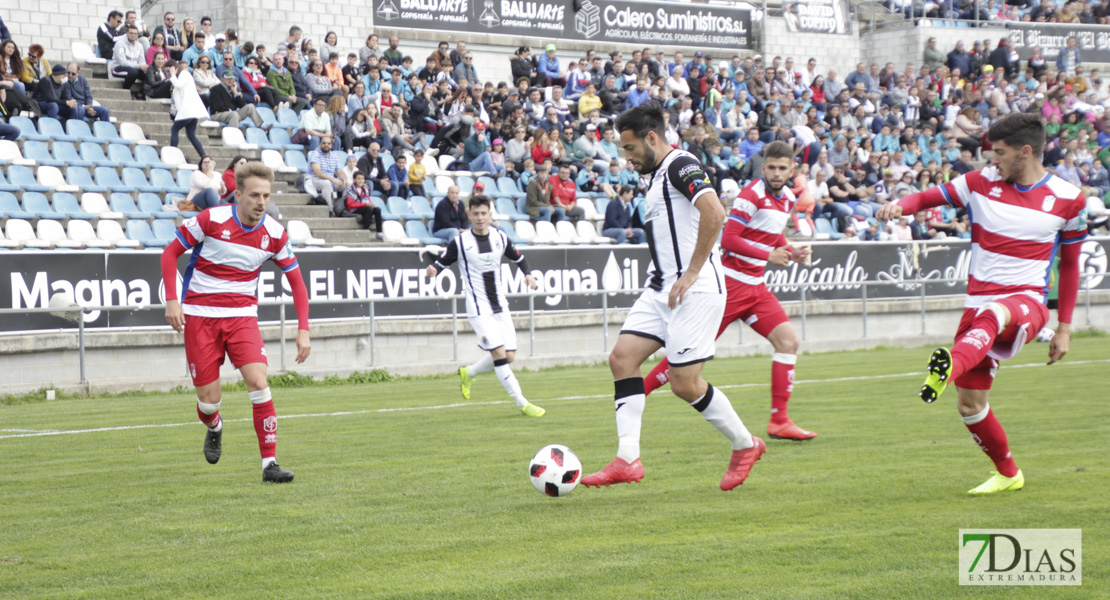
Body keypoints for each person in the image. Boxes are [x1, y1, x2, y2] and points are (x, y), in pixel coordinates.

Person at [875, 113, 1088, 495]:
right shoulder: (979, 182)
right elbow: (926, 196)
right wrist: (899, 206)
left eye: (1000, 153)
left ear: (1025, 152)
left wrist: (1066, 327)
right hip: (978, 306)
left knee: (997, 312)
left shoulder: (1071, 200)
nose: (993, 161)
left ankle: (948, 366)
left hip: (1026, 304)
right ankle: (1009, 473)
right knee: (971, 405)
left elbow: (1070, 265)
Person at [581, 102, 763, 492]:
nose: (627, 159)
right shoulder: (656, 176)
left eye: (629, 149)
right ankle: (627, 459)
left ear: (651, 138)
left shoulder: (681, 165)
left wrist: (693, 271)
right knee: (622, 359)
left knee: (684, 383)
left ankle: (745, 444)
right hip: (661, 289)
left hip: (694, 291)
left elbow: (716, 212)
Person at [643, 141, 817, 441]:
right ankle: (636, 395)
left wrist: (789, 250)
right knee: (684, 360)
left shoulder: (788, 198)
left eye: (782, 169)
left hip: (756, 289)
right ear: (763, 168)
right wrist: (769, 256)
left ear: (792, 170)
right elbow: (730, 239)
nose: (776, 174)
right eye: (771, 168)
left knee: (788, 342)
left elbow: (773, 235)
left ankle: (780, 421)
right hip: (731, 286)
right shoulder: (751, 195)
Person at [161, 162, 310, 484]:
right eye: (254, 195)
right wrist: (173, 300)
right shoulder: (210, 220)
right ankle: (215, 426)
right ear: (238, 194)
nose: (261, 202)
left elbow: (297, 282)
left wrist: (303, 329)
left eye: (266, 196)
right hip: (200, 317)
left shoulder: (273, 234)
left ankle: (269, 464)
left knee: (259, 382)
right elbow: (169, 254)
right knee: (208, 402)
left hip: (242, 317)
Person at [427, 195, 545, 417]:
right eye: (476, 213)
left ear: (490, 215)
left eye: (484, 213)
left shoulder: (500, 237)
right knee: (499, 354)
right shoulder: (461, 242)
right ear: (469, 215)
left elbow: (519, 258)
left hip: (500, 304)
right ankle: (522, 402)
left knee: (509, 356)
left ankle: (468, 373)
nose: (480, 218)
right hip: (478, 308)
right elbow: (440, 263)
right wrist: (433, 269)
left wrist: (528, 274)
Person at [169, 59, 209, 159]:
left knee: (174, 129)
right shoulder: (182, 78)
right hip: (191, 110)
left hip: (188, 110)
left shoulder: (184, 74)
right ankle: (203, 156)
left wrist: (173, 75)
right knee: (191, 135)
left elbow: (178, 85)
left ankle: (172, 154)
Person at [307, 135, 346, 214]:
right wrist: (332, 179)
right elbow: (318, 173)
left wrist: (345, 179)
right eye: (324, 143)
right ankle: (329, 210)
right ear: (320, 144)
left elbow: (340, 172)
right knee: (327, 183)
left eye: (328, 143)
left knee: (348, 185)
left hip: (330, 179)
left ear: (331, 145)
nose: (326, 145)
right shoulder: (315, 154)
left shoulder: (334, 155)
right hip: (314, 180)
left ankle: (342, 208)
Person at [110, 25, 149, 99]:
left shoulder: (139, 46)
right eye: (131, 33)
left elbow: (142, 61)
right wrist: (139, 66)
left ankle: (140, 94)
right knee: (133, 72)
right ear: (127, 33)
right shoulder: (120, 44)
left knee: (150, 73)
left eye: (135, 33)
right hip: (118, 68)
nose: (133, 35)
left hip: (134, 68)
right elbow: (123, 62)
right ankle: (124, 92)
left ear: (137, 35)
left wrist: (144, 68)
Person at [345, 171, 385, 238]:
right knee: (369, 208)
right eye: (358, 178)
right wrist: (366, 204)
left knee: (377, 210)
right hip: (354, 208)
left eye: (362, 179)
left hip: (364, 206)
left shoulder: (364, 188)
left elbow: (367, 200)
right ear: (354, 179)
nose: (361, 181)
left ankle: (379, 232)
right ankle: (365, 229)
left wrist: (369, 203)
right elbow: (351, 204)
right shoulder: (350, 189)